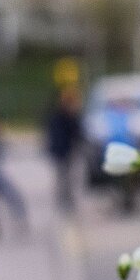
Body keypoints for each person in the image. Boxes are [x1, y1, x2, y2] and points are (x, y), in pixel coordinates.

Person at [44, 85, 84, 213]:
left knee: (68, 176)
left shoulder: (67, 115)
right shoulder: (62, 115)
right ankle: (64, 198)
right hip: (62, 150)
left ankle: (66, 198)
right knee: (64, 176)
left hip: (65, 149)